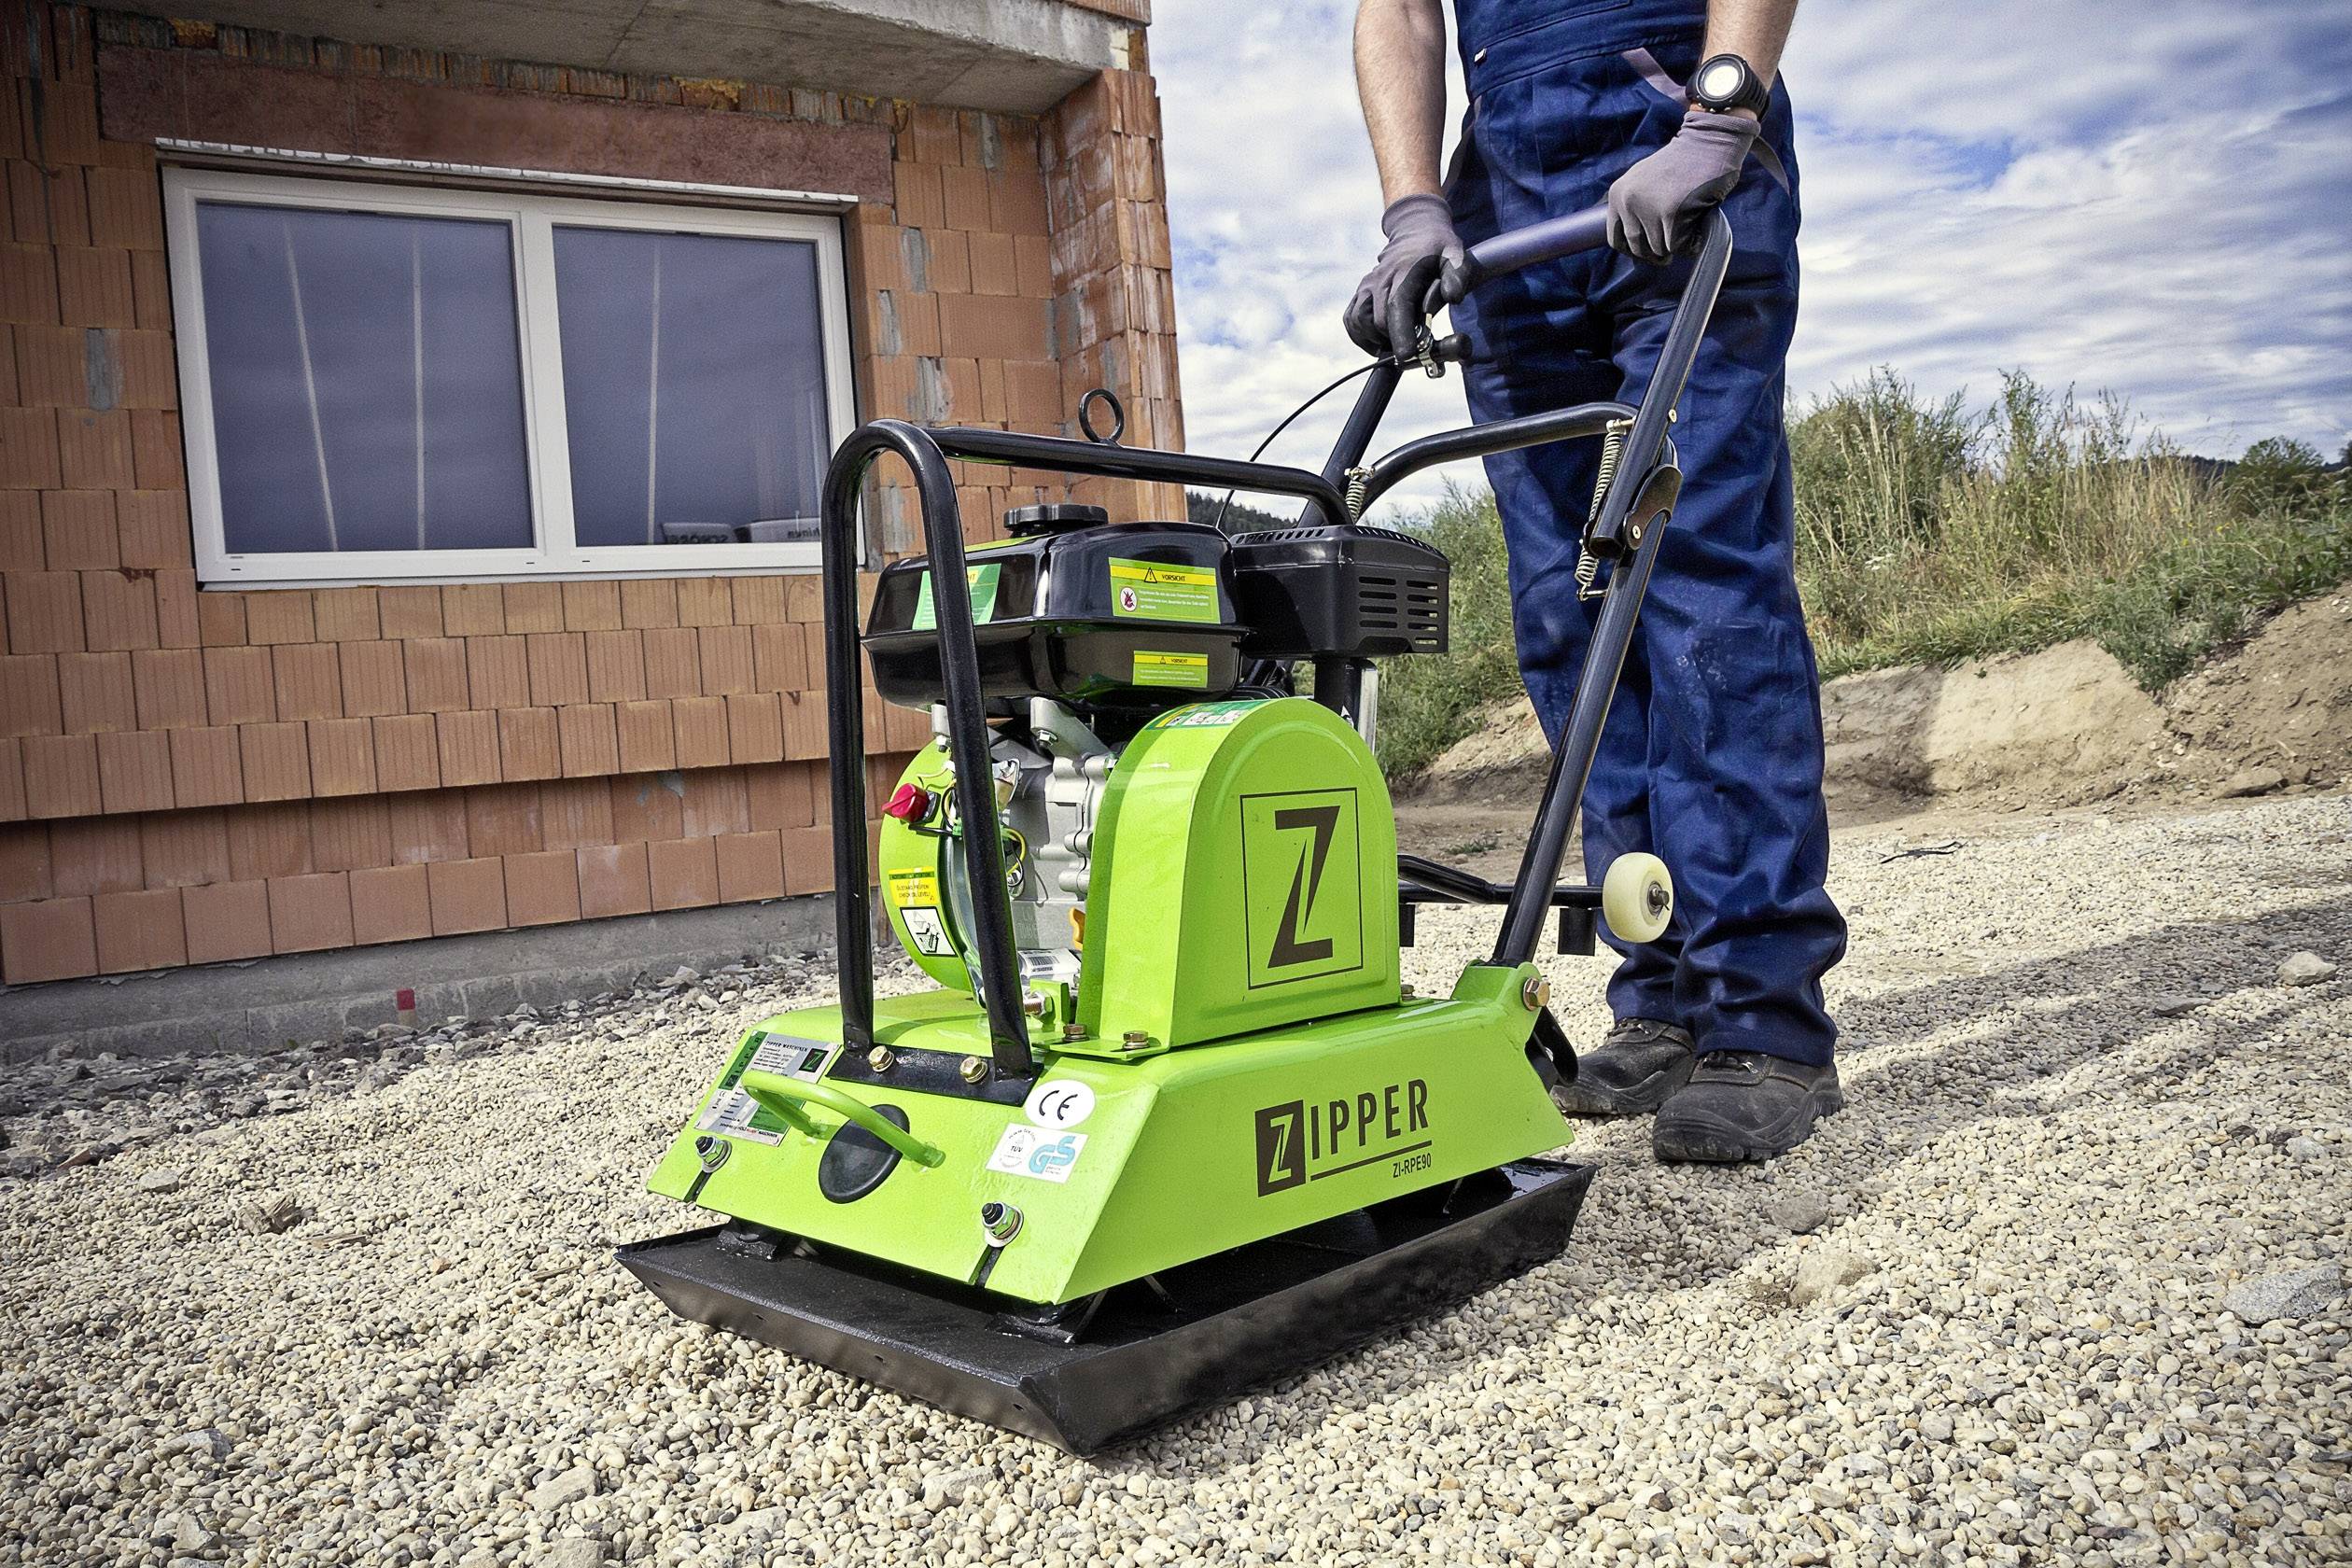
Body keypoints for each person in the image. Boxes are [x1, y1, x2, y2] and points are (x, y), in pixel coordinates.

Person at [1347, 0, 1847, 1160]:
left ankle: (1762, 1017)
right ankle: (1662, 989)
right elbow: (1399, 11)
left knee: (1700, 593)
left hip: (1673, 133)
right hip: (1508, 197)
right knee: (1569, 617)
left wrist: (1722, 112)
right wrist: (1414, 205)